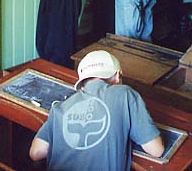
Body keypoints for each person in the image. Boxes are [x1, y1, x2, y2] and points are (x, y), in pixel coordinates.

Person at [28, 50, 164, 170]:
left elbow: (36, 152)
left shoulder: (60, 107)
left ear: (82, 85)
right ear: (117, 76)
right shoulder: (125, 94)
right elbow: (156, 150)